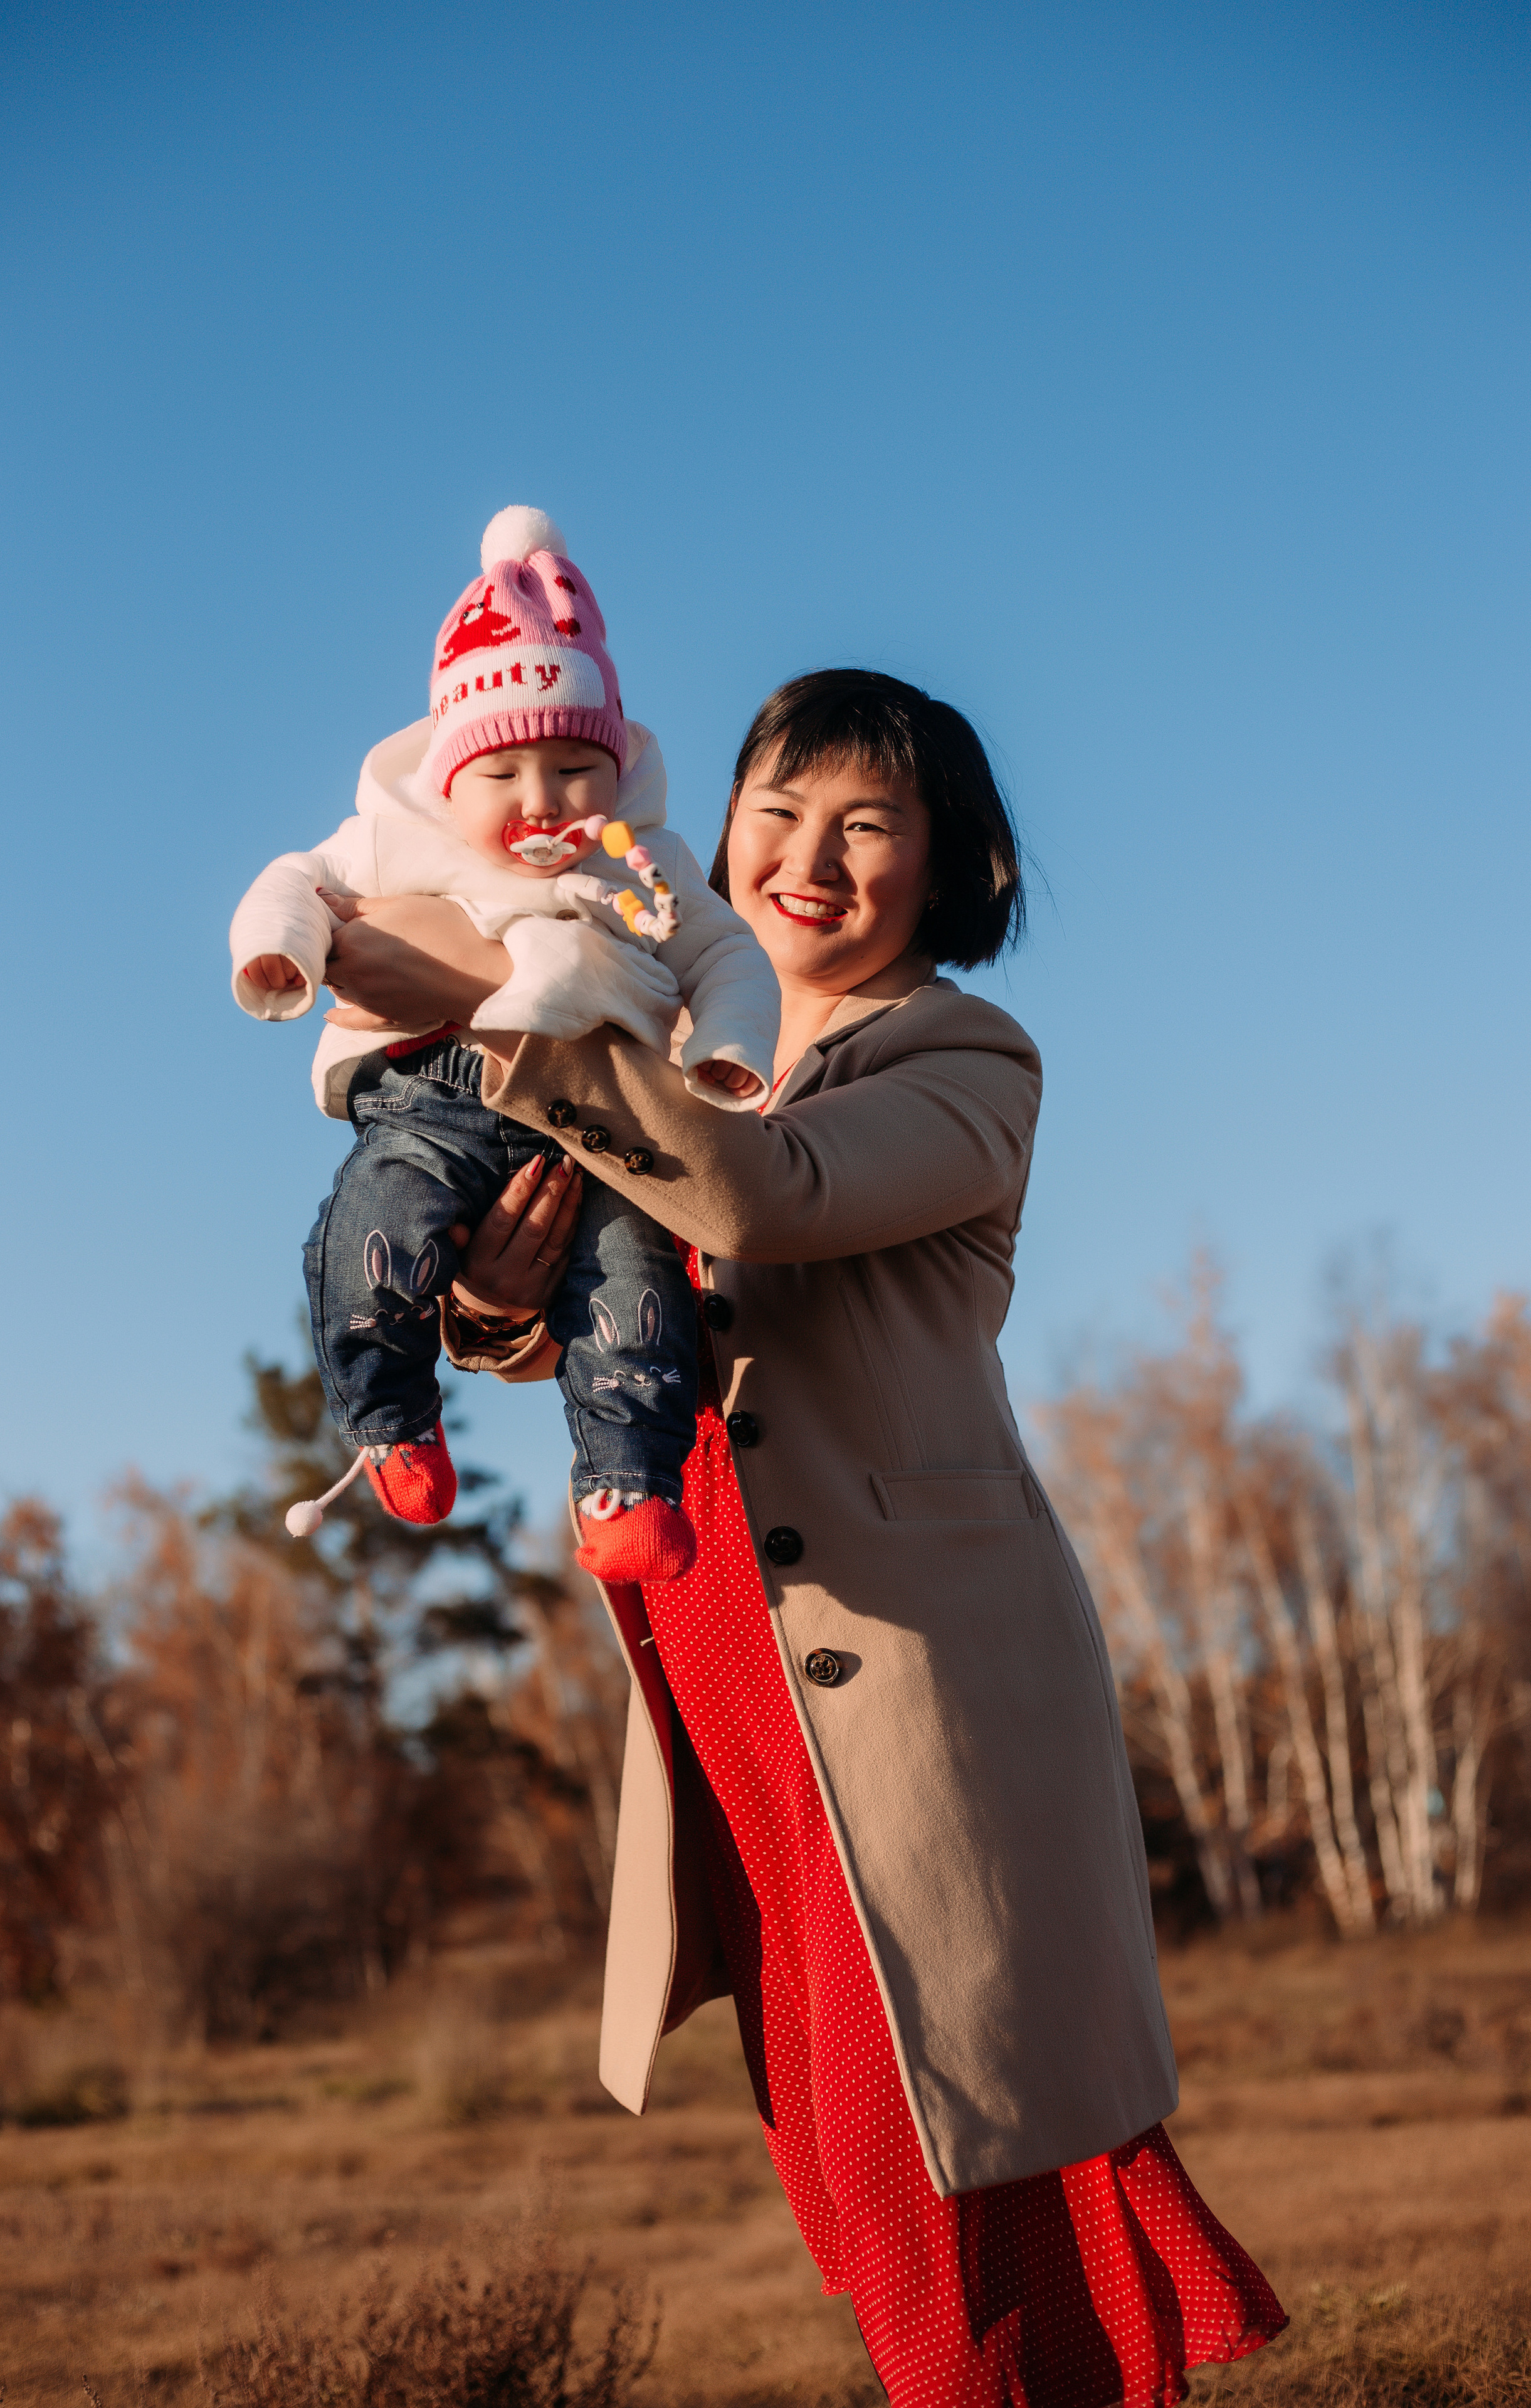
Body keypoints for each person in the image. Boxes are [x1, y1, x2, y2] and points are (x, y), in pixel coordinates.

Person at [318, 669, 1287, 2408]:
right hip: (726, 1675)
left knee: (951, 2162)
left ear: (949, 867)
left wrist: (496, 1003)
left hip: (909, 1690)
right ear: (711, 825)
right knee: (845, 2164)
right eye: (777, 809)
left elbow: (765, 1197)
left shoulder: (961, 1059)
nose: (809, 859)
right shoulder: (660, 1031)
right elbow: (597, 1302)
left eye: (868, 826)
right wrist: (488, 1299)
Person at [228, 507, 778, 1579]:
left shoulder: (648, 868)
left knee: (637, 1290)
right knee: (375, 1234)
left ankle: (630, 1485)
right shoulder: (398, 840)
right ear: (448, 777)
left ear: (616, 770)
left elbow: (728, 955)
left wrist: (723, 1044)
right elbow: (296, 880)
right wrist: (280, 952)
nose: (542, 802)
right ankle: (390, 1418)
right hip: (430, 1099)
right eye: (503, 776)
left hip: (604, 1130)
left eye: (577, 768)